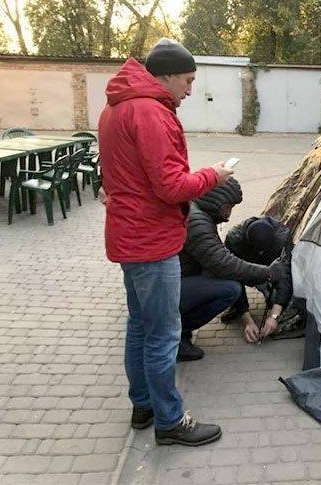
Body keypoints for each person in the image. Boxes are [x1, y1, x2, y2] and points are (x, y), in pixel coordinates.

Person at [98, 38, 233, 447]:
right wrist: (213, 176)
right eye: (188, 81)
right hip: (152, 241)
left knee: (140, 325)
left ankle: (143, 405)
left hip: (128, 234)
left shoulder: (116, 106)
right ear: (168, 75)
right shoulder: (151, 112)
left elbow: (118, 174)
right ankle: (170, 422)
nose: (190, 90)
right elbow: (173, 186)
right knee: (162, 334)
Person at [178, 178, 292, 360]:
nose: (230, 213)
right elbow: (226, 266)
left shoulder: (198, 215)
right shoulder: (200, 223)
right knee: (229, 288)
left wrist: (274, 316)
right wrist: (246, 318)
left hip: (174, 279)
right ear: (218, 203)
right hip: (170, 285)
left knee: (228, 282)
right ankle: (176, 332)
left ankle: (175, 329)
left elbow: (284, 276)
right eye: (229, 206)